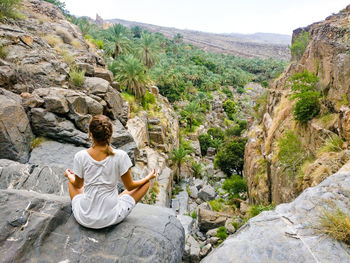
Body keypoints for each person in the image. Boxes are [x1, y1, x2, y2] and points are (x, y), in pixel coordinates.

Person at [64, 115, 156, 229]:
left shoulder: (80, 156)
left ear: (91, 134)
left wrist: (69, 175)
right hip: (110, 217)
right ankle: (116, 200)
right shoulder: (120, 156)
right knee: (145, 184)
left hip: (85, 217)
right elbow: (130, 186)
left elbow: (78, 185)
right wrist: (147, 178)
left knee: (71, 182)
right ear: (110, 134)